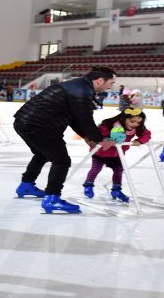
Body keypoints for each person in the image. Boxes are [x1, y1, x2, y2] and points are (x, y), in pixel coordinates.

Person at [13, 66, 117, 214]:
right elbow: (84, 119)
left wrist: (87, 136)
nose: (110, 86)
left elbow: (74, 118)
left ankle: (26, 186)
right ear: (100, 80)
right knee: (61, 161)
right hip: (40, 125)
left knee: (42, 154)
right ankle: (52, 198)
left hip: (23, 122)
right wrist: (100, 139)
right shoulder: (82, 91)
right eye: (111, 82)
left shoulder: (78, 86)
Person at [82, 108, 151, 202]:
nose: (135, 124)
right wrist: (108, 138)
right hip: (100, 153)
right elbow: (98, 134)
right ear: (124, 118)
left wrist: (139, 140)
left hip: (117, 155)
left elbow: (146, 134)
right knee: (95, 169)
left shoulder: (136, 128)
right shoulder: (109, 125)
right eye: (132, 121)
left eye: (138, 122)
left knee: (118, 171)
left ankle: (116, 190)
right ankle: (88, 185)